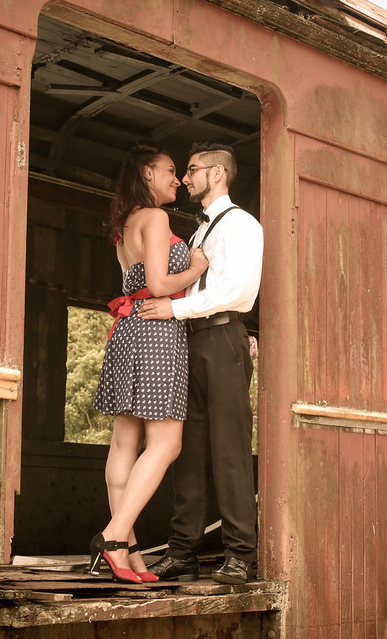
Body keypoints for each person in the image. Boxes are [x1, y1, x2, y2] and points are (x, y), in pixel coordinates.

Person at [139, 142, 263, 585]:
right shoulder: (197, 233)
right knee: (186, 451)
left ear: (218, 175)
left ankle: (240, 555)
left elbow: (239, 292)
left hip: (223, 336)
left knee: (229, 448)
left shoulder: (242, 225)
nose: (185, 179)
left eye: (192, 170)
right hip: (186, 341)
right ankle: (182, 552)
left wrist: (176, 310)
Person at [88, 142, 209, 584]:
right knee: (166, 445)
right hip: (156, 332)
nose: (177, 179)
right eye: (171, 171)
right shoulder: (156, 218)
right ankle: (115, 535)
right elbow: (159, 284)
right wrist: (195, 269)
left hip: (128, 330)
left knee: (124, 444)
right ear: (146, 173)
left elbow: (139, 282)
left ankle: (130, 552)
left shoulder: (126, 225)